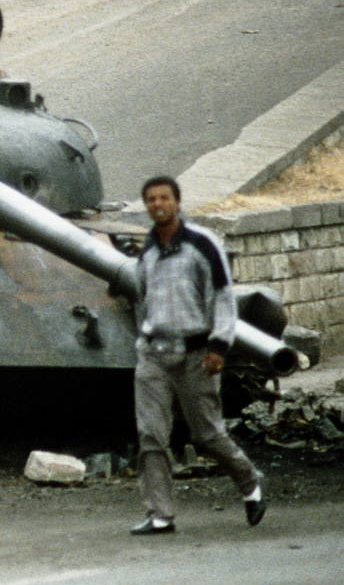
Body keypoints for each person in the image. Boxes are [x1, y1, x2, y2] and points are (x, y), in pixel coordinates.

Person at [130, 174, 265, 535]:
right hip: (153, 356)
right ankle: (160, 513)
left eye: (164, 198)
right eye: (151, 200)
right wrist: (141, 343)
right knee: (151, 436)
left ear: (177, 202)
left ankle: (250, 482)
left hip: (195, 355)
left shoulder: (202, 244)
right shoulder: (148, 250)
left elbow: (223, 296)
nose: (157, 204)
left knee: (206, 434)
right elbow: (141, 299)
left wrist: (219, 345)